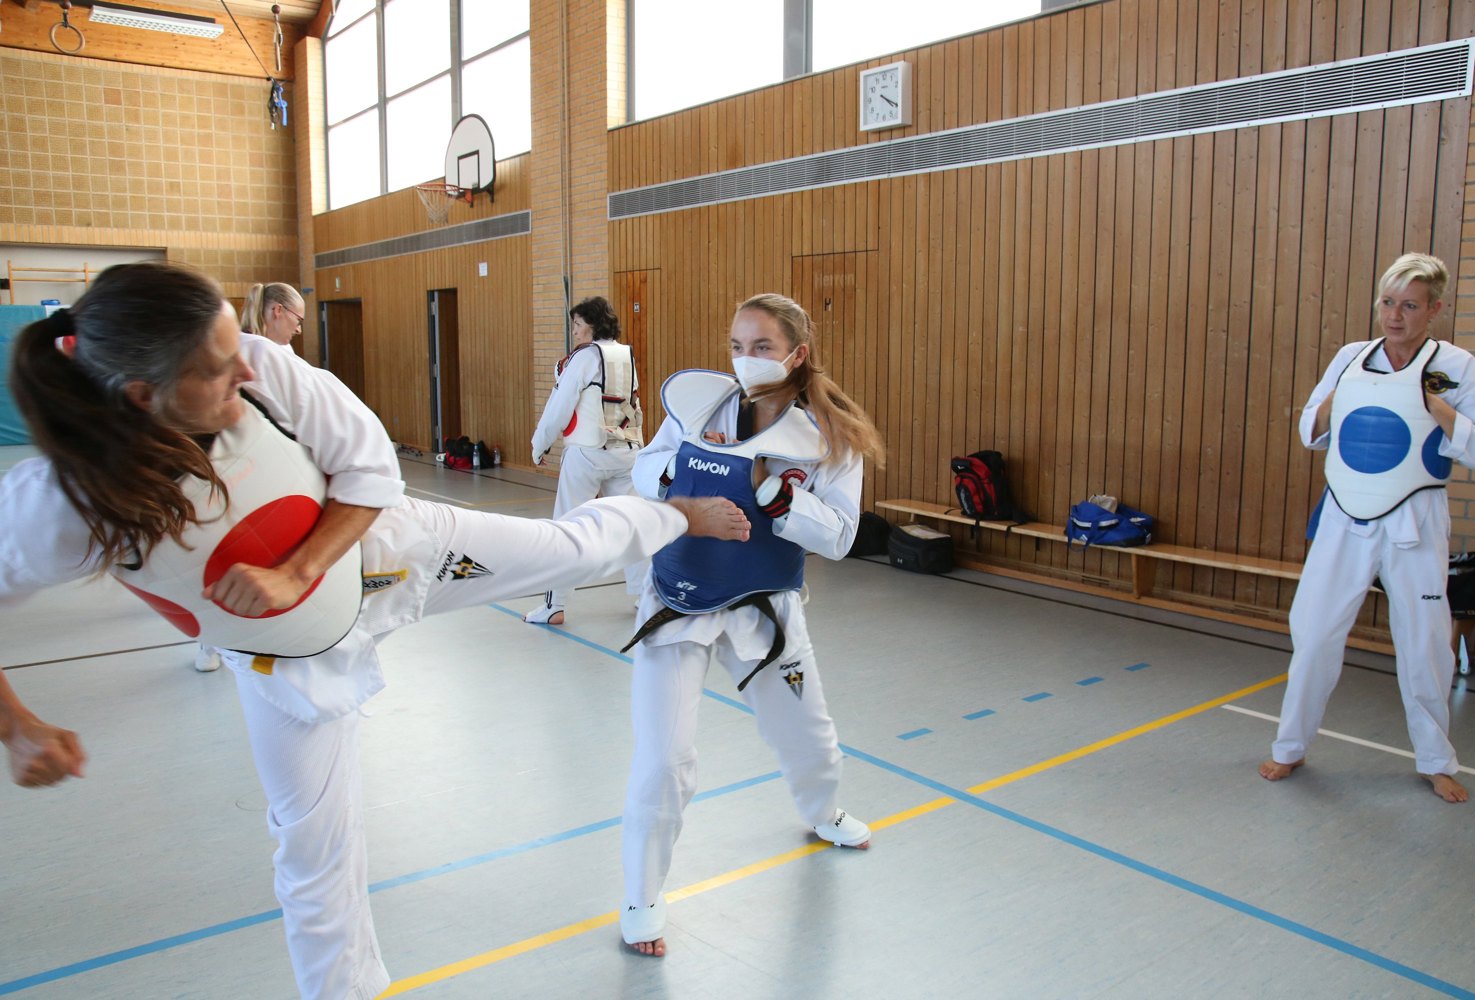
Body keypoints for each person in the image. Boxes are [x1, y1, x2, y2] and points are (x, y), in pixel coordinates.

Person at [0, 261, 750, 998]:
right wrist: (18, 727)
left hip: (389, 551)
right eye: (218, 369)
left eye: (239, 349)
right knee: (315, 856)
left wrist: (298, 571)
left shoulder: (263, 369)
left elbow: (370, 470)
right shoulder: (61, 506)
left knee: (569, 548)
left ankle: (675, 513)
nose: (246, 368)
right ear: (144, 396)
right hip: (287, 661)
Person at [617, 292, 885, 956]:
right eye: (737, 346)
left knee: (811, 738)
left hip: (765, 605)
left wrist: (777, 494)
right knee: (663, 759)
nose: (745, 359)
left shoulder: (827, 435)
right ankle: (641, 894)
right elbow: (644, 469)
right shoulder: (700, 405)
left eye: (762, 347)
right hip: (678, 599)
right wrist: (678, 472)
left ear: (797, 354)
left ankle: (822, 812)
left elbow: (841, 537)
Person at [1258, 253, 1475, 803]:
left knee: (1425, 644)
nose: (1394, 316)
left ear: (1434, 309)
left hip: (1416, 518)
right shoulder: (1351, 357)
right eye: (1387, 303)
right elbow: (1310, 430)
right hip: (1345, 514)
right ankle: (1290, 746)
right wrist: (1343, 398)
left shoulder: (1455, 366)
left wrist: (1429, 403)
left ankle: (1436, 761)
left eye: (1409, 306)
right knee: (1314, 634)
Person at [190, 282, 308, 675]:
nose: (298, 328)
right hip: (236, 471)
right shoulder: (246, 352)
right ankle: (212, 641)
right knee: (225, 558)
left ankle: (264, 635)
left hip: (280, 474)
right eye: (297, 318)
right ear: (277, 311)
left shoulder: (286, 357)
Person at [525, 296, 647, 625]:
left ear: (592, 325)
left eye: (578, 324)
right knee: (634, 526)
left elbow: (559, 406)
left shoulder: (584, 358)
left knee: (567, 528)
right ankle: (647, 596)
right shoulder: (627, 355)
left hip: (587, 454)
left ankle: (554, 605)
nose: (575, 331)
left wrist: (539, 445)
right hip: (627, 453)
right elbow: (634, 406)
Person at [241, 281, 305, 347]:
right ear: (278, 310)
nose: (299, 330)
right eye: (298, 321)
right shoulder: (261, 347)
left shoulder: (242, 341)